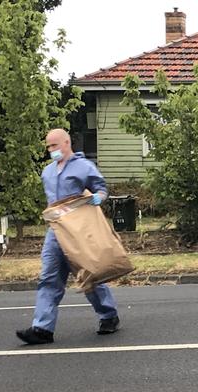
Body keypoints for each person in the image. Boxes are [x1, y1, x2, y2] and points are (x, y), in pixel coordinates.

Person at [16, 129, 121, 345]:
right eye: (48, 147)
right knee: (48, 278)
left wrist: (97, 198)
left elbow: (101, 188)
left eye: (54, 145)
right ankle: (42, 328)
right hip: (55, 231)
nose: (51, 150)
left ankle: (108, 316)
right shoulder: (47, 171)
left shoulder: (83, 167)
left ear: (67, 143)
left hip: (78, 232)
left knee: (89, 275)